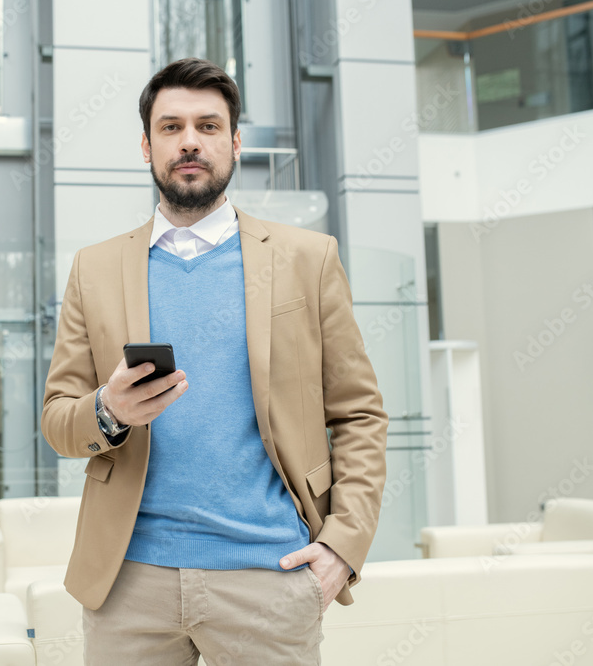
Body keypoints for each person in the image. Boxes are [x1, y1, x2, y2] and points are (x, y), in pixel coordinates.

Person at [41, 57, 388, 665]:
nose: (190, 141)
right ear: (146, 146)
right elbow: (56, 421)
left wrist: (343, 546)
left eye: (207, 125)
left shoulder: (309, 259)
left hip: (269, 576)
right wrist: (107, 410)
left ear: (234, 142)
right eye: (171, 127)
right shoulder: (93, 270)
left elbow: (359, 414)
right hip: (129, 583)